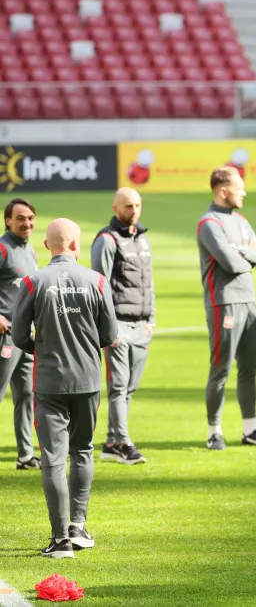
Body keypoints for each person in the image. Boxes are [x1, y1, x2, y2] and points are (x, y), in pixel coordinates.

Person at [12, 218, 118, 558]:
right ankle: (79, 527)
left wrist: (39, 348)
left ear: (47, 246)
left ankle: (60, 541)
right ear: (75, 245)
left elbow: (17, 336)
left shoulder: (33, 281)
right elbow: (109, 335)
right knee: (83, 450)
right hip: (87, 380)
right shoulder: (97, 281)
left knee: (53, 459)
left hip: (49, 381)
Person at [197, 166, 256, 450]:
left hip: (249, 302)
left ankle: (250, 429)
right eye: (239, 187)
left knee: (250, 368)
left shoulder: (241, 221)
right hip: (224, 303)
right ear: (223, 190)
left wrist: (242, 252)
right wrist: (247, 255)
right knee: (221, 368)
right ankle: (214, 431)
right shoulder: (209, 223)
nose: (244, 192)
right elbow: (229, 264)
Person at [92, 187, 153, 465]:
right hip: (119, 325)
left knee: (130, 388)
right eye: (128, 206)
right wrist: (108, 328)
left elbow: (148, 282)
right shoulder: (106, 240)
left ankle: (112, 441)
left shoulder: (142, 239)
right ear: (115, 208)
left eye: (137, 205)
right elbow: (99, 286)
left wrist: (152, 318)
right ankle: (125, 443)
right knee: (118, 387)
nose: (134, 210)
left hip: (142, 326)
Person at [0, 198, 39, 470]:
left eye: (30, 218)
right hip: (5, 336)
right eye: (21, 218)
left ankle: (25, 455)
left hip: (26, 337)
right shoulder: (2, 248)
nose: (27, 223)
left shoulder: (32, 251)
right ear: (8, 221)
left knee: (26, 394)